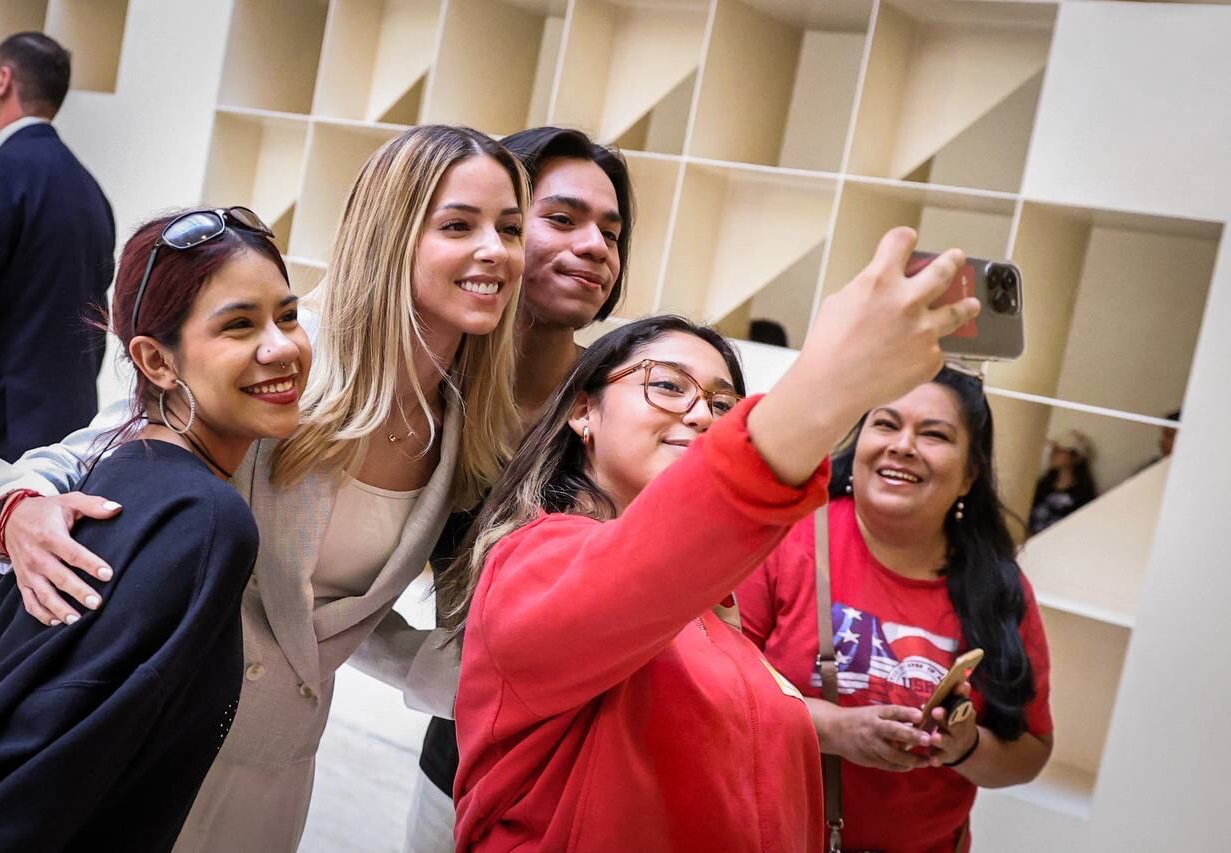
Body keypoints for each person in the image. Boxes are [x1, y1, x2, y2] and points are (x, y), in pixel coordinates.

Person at [0, 125, 527, 851]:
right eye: (459, 224)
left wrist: (474, 682)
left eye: (510, 228)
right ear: (393, 234)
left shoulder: (464, 428)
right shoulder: (282, 352)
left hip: (277, 768)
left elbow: (322, 617)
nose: (495, 250)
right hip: (154, 745)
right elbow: (104, 454)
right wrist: (20, 510)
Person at [444, 228, 979, 851]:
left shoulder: (708, 612)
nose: (702, 413)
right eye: (667, 384)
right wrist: (833, 383)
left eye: (724, 403)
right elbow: (654, 556)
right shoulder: (534, 563)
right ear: (583, 411)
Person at [0, 206, 308, 849]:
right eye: (239, 325)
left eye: (288, 316)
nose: (280, 345)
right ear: (157, 361)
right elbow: (48, 772)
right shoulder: (206, 522)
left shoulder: (121, 466)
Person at [408, 126, 634, 853]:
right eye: (561, 219)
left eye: (612, 230)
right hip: (462, 764)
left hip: (607, 778)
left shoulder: (628, 404)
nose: (596, 245)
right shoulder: (425, 388)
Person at [736, 368, 1054, 853]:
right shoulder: (791, 534)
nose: (903, 445)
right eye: (885, 424)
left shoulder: (1000, 588)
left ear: (969, 475)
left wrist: (964, 747)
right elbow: (723, 692)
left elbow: (1029, 754)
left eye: (934, 435)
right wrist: (838, 730)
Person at [0, 32, 114, 583]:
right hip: (58, 445)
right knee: (17, 621)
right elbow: (95, 326)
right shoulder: (92, 194)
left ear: (2, 81)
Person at [1029, 429, 1097, 534]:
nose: (1053, 453)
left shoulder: (1083, 495)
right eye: (1054, 449)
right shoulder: (1042, 485)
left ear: (1076, 458)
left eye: (1060, 450)